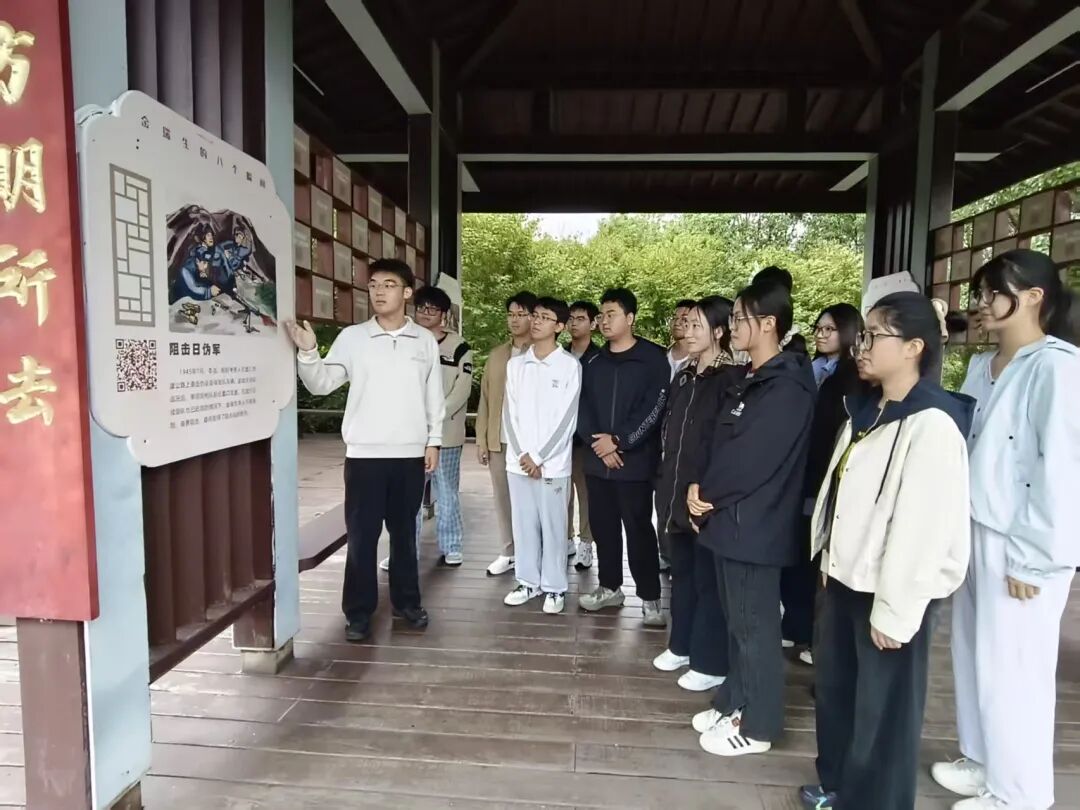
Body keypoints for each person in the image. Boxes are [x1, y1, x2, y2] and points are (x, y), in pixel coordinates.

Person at [801, 292, 973, 810]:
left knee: (884, 713)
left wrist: (896, 612)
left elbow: (923, 529)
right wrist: (827, 556)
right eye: (863, 335)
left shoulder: (932, 423)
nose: (862, 346)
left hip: (889, 593)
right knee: (839, 693)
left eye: (875, 336)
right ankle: (838, 785)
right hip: (845, 577)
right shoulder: (868, 409)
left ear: (915, 347)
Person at [932, 249, 1080, 810]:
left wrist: (1033, 558)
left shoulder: (1058, 367)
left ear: (1034, 297)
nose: (982, 303)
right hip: (976, 525)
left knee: (1016, 668)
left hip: (1022, 541)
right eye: (981, 293)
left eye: (994, 293)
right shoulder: (982, 366)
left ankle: (1020, 793)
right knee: (975, 655)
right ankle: (983, 759)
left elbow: (1061, 472)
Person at [687, 280, 815, 757]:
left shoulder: (787, 387)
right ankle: (734, 702)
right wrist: (698, 488)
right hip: (730, 520)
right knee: (737, 622)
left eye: (741, 318)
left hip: (755, 526)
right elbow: (720, 445)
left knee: (755, 628)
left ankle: (758, 725)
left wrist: (707, 494)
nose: (733, 326)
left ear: (769, 324)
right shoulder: (752, 377)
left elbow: (753, 459)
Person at [287, 258, 443, 641]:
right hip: (364, 457)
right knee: (362, 537)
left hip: (409, 455)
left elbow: (433, 396)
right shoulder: (353, 338)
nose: (378, 291)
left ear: (407, 292)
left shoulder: (424, 341)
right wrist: (308, 352)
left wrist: (434, 440)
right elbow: (321, 384)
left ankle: (407, 604)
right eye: (373, 284)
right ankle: (358, 613)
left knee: (405, 536)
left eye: (388, 284)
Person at [653, 296, 742, 691]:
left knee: (709, 581)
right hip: (674, 488)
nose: (686, 332)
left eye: (696, 326)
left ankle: (711, 662)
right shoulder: (684, 375)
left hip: (705, 496)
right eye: (685, 325)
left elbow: (726, 445)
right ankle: (682, 645)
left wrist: (706, 489)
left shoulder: (730, 380)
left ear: (718, 331)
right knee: (682, 573)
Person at [576, 287, 670, 626]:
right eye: (601, 315)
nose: (604, 321)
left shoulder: (653, 359)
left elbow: (654, 408)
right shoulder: (593, 362)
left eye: (611, 314)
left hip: (635, 464)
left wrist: (620, 441)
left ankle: (650, 597)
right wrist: (600, 445)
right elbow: (581, 408)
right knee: (603, 528)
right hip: (596, 462)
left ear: (630, 318)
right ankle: (609, 587)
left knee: (639, 529)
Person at [781, 303, 864, 662]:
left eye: (830, 329)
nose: (821, 334)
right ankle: (795, 625)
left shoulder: (853, 377)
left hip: (830, 475)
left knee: (823, 557)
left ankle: (820, 640)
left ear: (848, 332)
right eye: (818, 328)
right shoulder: (808, 369)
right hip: (800, 472)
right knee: (799, 549)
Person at [502, 298, 582, 615]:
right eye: (534, 315)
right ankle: (527, 582)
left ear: (559, 326)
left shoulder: (569, 366)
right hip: (518, 463)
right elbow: (509, 415)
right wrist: (523, 454)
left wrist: (539, 456)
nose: (536, 321)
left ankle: (554, 587)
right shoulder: (516, 365)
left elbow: (567, 420)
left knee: (553, 527)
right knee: (523, 525)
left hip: (553, 464)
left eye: (545, 317)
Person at [388, 284, 473, 568]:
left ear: (444, 315)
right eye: (421, 308)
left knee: (447, 492)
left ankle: (452, 546)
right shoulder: (403, 340)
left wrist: (434, 417)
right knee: (406, 496)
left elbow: (462, 390)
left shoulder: (458, 347)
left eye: (432, 309)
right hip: (408, 435)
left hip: (446, 435)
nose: (425, 313)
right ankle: (404, 550)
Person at [477, 291, 537, 576]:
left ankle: (534, 553)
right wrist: (481, 439)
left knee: (533, 501)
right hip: (499, 439)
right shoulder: (497, 355)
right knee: (503, 499)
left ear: (534, 318)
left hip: (531, 444)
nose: (514, 320)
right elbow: (485, 399)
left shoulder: (541, 352)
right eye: (511, 314)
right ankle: (508, 552)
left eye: (521, 314)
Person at [566, 300, 600, 571]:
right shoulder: (558, 355)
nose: (574, 323)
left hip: (586, 439)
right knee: (560, 492)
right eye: (571, 318)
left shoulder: (600, 358)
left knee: (586, 493)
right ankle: (564, 539)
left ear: (593, 323)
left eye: (580, 318)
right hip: (559, 439)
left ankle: (586, 542)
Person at [667, 299, 696, 379]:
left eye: (684, 319)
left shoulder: (703, 361)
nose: (676, 323)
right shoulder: (660, 356)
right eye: (674, 318)